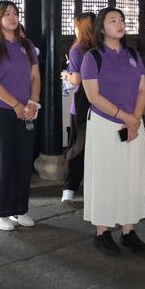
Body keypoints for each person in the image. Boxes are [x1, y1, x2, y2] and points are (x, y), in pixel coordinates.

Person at [80, 8, 145, 256]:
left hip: (133, 123)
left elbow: (142, 90)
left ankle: (129, 231)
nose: (119, 24)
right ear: (101, 28)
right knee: (105, 176)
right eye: (113, 21)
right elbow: (93, 96)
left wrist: (135, 119)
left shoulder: (133, 55)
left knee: (132, 174)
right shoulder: (93, 57)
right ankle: (102, 232)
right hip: (105, 122)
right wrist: (126, 117)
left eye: (121, 20)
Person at [0, 0, 40, 231]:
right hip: (1, 110)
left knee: (23, 160)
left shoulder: (26, 44)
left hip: (26, 109)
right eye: (7, 14)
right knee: (2, 160)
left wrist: (33, 102)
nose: (13, 17)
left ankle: (19, 209)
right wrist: (15, 104)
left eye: (15, 13)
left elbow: (35, 77)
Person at [60, 12, 95, 203]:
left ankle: (69, 188)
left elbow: (76, 79)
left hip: (82, 104)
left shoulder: (78, 48)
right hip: (103, 103)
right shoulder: (103, 48)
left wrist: (66, 75)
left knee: (76, 146)